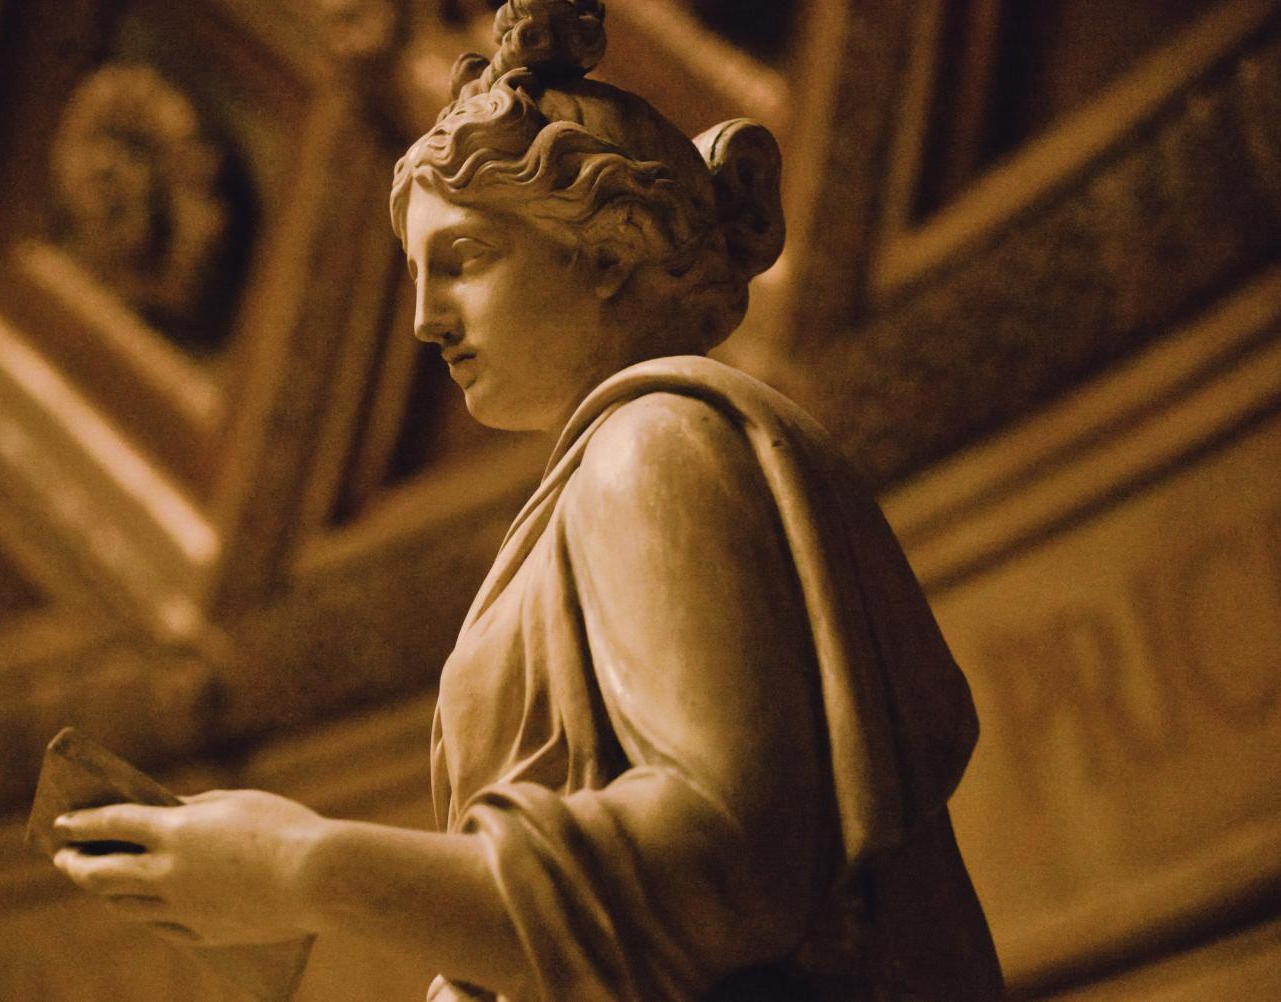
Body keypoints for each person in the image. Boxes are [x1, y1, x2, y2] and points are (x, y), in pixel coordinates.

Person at [52, 2, 1006, 998]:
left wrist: (307, 869)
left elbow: (725, 863)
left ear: (599, 250)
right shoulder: (611, 469)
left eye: (460, 261)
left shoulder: (654, 446)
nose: (423, 320)